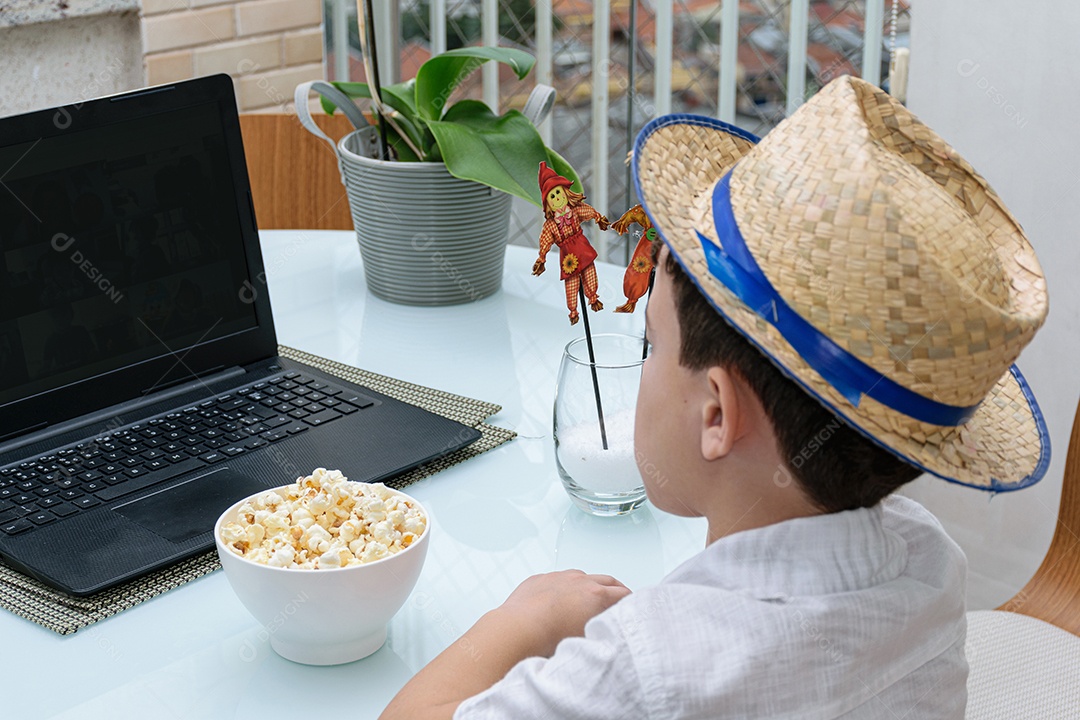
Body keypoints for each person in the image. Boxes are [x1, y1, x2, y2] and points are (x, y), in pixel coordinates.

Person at [380, 76, 1050, 719]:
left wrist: (523, 620)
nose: (646, 365)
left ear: (717, 414)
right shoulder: (929, 561)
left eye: (651, 346)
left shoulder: (643, 666)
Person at [532, 162, 610, 325]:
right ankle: (573, 310)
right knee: (572, 283)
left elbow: (587, 211)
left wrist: (598, 218)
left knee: (590, 272)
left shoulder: (575, 211)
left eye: (558, 193)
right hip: (568, 256)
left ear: (566, 193)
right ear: (548, 204)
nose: (557, 198)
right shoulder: (551, 225)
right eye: (552, 196)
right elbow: (545, 240)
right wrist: (542, 258)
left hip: (581, 246)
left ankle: (593, 297)